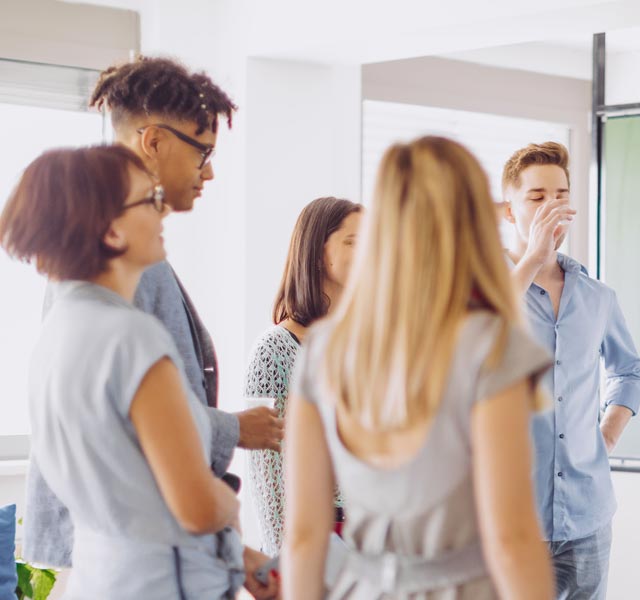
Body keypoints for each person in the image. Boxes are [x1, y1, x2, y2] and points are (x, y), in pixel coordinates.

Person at [22, 55, 284, 571]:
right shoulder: (118, 306)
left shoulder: (88, 291)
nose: (208, 171)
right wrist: (233, 435)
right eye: (202, 151)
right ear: (155, 141)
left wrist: (242, 558)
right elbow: (129, 438)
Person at [283, 137, 554, 599]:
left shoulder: (323, 347)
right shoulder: (489, 347)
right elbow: (511, 540)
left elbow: (304, 536)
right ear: (472, 222)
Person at [502, 141, 640, 600]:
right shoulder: (482, 292)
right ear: (510, 211)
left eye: (561, 195)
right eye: (537, 197)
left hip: (587, 515)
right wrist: (530, 258)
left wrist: (607, 433)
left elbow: (629, 370)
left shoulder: (596, 295)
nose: (552, 207)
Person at [246, 196, 361, 556]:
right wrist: (286, 569)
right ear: (316, 255)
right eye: (354, 241)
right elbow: (268, 478)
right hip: (313, 542)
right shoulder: (275, 350)